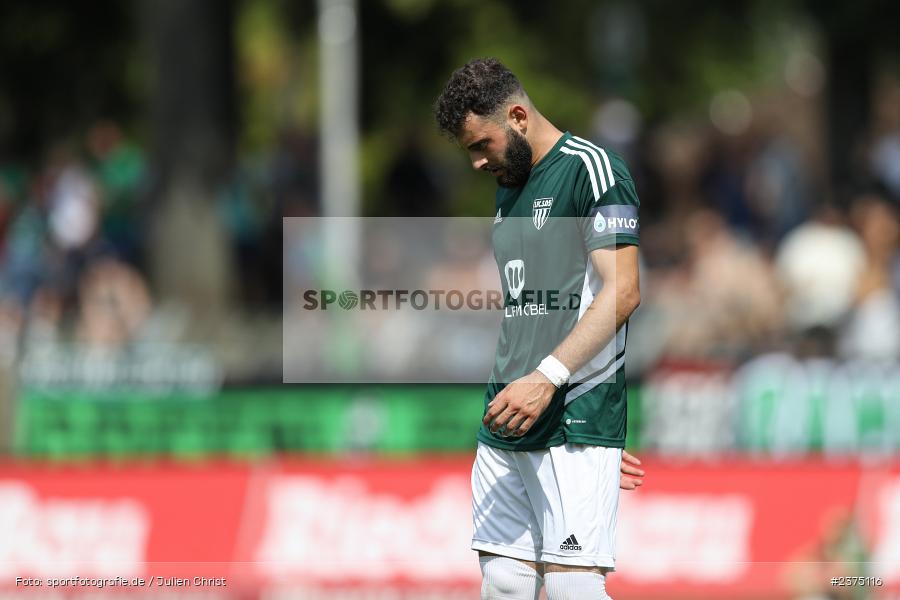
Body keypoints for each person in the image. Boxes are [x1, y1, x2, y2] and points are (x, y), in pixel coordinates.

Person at [434, 58, 644, 600]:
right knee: (503, 584)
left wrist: (559, 391)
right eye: (470, 152)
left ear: (519, 117)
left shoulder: (592, 170)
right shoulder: (510, 184)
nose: (478, 162)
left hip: (572, 416)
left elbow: (622, 291)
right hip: (508, 415)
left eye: (483, 144)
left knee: (574, 591)